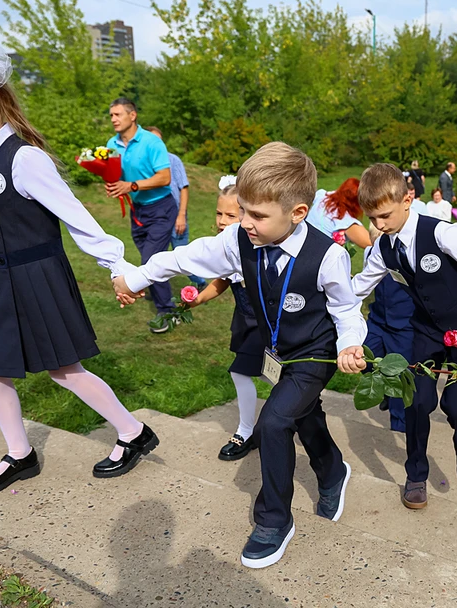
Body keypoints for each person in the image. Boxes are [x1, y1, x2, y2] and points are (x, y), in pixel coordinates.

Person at [0, 21, 156, 496]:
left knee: (64, 369)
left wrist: (118, 266)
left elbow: (77, 217)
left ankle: (133, 432)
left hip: (38, 276)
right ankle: (19, 454)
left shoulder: (26, 160)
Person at [114, 142, 366, 568]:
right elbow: (184, 256)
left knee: (273, 421)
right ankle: (332, 470)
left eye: (257, 215)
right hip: (277, 351)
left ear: (298, 213)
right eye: (242, 210)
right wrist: (138, 277)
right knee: (303, 415)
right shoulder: (239, 240)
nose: (245, 222)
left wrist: (349, 345)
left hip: (313, 353)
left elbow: (345, 308)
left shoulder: (329, 256)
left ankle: (273, 520)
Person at [352, 163, 457, 510]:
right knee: (417, 402)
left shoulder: (443, 234)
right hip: (425, 331)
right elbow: (358, 288)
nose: (378, 226)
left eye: (385, 216)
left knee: (455, 404)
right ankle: (416, 475)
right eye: (372, 218)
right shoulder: (384, 248)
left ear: (408, 199)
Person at [184, 181, 262, 460]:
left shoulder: (257, 244)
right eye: (219, 214)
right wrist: (200, 298)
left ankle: (256, 427)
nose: (221, 221)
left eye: (230, 215)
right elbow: (223, 280)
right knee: (245, 371)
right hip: (244, 318)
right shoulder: (228, 246)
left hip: (267, 322)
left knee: (255, 372)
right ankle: (248, 429)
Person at [106, 98, 177, 333]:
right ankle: (157, 290)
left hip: (161, 209)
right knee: (151, 260)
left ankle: (167, 312)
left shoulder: (151, 142)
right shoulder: (111, 144)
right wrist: (113, 184)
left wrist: (131, 186)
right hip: (137, 211)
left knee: (150, 260)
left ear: (132, 115)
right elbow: (115, 174)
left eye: (118, 115)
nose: (114, 119)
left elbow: (164, 178)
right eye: (111, 116)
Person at [362, 226, 415, 433]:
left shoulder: (405, 258)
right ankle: (384, 389)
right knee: (366, 356)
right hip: (377, 319)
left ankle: (399, 423)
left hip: (402, 324)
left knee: (398, 373)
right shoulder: (370, 253)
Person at [146, 130, 208, 291]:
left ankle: (200, 282)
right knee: (154, 256)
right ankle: (154, 289)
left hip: (175, 217)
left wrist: (181, 216)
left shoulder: (173, 161)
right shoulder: (144, 163)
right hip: (155, 217)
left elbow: (184, 189)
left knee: (181, 256)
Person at [306, 177, 371, 248]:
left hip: (304, 241)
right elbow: (371, 244)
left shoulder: (323, 196)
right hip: (319, 252)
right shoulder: (345, 221)